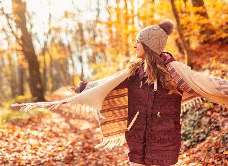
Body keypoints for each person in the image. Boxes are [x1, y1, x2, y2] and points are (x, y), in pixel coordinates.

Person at [12, 19, 228, 166]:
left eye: (138, 42)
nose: (134, 46)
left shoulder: (176, 71)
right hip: (136, 143)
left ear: (148, 45)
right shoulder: (134, 72)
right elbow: (109, 83)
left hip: (166, 145)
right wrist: (84, 88)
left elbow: (206, 83)